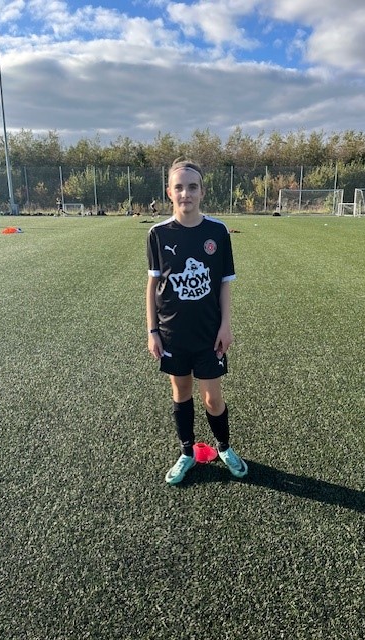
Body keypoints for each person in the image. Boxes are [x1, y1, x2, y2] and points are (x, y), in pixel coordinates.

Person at [146, 158, 248, 485]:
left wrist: (226, 325)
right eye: (179, 187)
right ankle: (187, 452)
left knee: (212, 398)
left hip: (208, 334)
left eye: (192, 187)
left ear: (202, 192)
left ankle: (224, 447)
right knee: (181, 392)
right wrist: (152, 331)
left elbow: (225, 283)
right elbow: (153, 284)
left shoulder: (217, 231)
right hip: (172, 333)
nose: (185, 193)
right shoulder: (158, 233)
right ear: (169, 192)